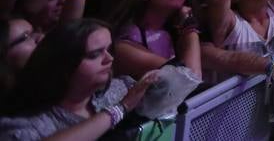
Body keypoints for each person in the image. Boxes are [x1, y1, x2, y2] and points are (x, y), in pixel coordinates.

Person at [0, 19, 160, 141]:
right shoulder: (26, 126)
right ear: (64, 66)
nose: (109, 58)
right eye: (95, 54)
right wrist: (122, 108)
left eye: (109, 49)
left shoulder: (120, 88)